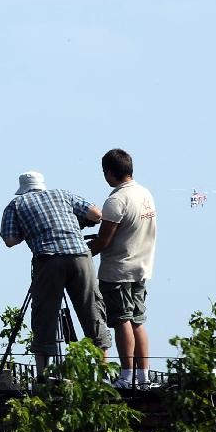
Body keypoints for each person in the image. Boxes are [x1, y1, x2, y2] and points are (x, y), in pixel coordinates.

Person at [0, 171, 111, 372]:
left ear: (22, 189)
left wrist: (33, 230)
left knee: (45, 317)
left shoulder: (16, 204)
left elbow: (10, 240)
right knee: (92, 310)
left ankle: (44, 377)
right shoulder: (62, 194)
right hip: (80, 256)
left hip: (48, 260)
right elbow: (96, 215)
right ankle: (104, 372)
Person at [89, 149, 156, 388]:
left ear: (110, 172)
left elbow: (104, 240)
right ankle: (143, 376)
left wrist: (86, 252)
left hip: (118, 269)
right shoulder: (145, 194)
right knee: (138, 320)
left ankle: (126, 376)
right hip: (141, 266)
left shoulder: (116, 200)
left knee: (121, 320)